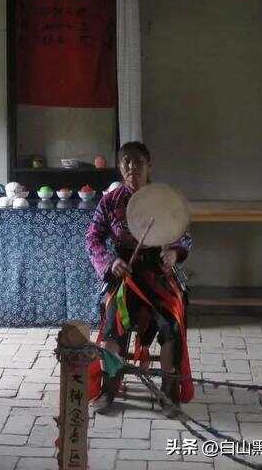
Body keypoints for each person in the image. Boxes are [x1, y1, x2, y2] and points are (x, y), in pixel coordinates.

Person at [85, 141, 194, 414]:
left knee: (172, 320)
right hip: (126, 275)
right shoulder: (110, 201)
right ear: (120, 167)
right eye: (126, 162)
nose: (132, 167)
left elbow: (185, 236)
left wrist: (175, 253)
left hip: (159, 274)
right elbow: (93, 239)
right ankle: (108, 388)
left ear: (149, 165)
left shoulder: (164, 199)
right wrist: (111, 261)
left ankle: (169, 392)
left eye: (138, 162)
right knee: (114, 319)